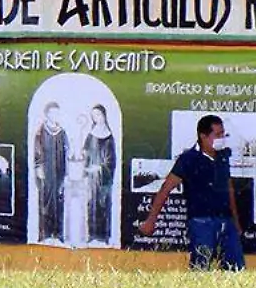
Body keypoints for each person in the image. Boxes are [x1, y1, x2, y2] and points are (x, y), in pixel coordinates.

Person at [137, 114, 245, 270]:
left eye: (223, 134)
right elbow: (165, 189)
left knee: (235, 269)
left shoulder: (223, 156)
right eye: (218, 135)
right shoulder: (188, 159)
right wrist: (151, 221)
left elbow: (229, 188)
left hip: (226, 221)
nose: (222, 138)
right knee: (201, 268)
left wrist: (235, 221)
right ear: (203, 135)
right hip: (201, 222)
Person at [32, 102, 67, 243]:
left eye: (56, 112)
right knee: (45, 200)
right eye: (52, 112)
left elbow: (65, 152)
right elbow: (37, 151)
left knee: (59, 200)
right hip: (46, 171)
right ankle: (45, 232)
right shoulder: (41, 131)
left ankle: (58, 232)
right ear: (47, 114)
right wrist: (38, 167)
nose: (55, 115)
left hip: (59, 171)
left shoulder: (61, 131)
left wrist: (66, 174)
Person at [83, 105, 117, 246]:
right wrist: (84, 161)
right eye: (94, 116)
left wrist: (100, 168)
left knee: (103, 204)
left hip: (104, 179)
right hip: (92, 178)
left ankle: (104, 236)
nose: (96, 118)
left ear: (104, 115)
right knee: (91, 204)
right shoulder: (91, 135)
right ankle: (92, 234)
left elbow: (111, 161)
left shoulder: (109, 137)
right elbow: (85, 153)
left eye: (98, 115)